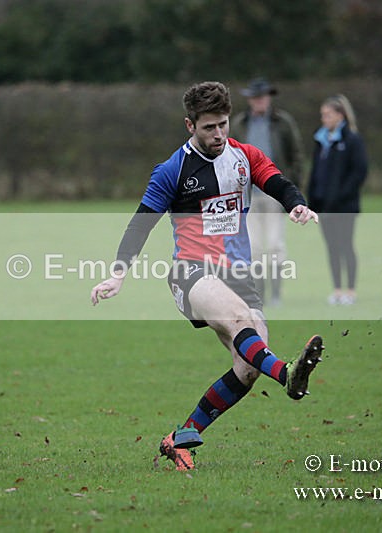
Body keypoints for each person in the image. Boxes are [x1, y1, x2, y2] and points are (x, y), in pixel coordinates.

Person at [90, 82, 324, 471]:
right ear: (190, 125)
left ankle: (179, 438)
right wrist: (118, 274)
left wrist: (296, 205)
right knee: (238, 323)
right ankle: (288, 374)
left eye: (223, 125)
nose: (218, 134)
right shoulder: (172, 171)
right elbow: (140, 224)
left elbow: (275, 180)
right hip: (192, 273)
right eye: (209, 127)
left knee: (248, 366)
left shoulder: (244, 157)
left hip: (239, 275)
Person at [232, 78, 305, 307]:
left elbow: (296, 156)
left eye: (262, 97)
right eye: (255, 97)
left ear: (269, 98)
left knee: (274, 245)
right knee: (253, 248)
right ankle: (259, 294)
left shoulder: (282, 122)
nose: (259, 101)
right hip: (248, 195)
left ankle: (276, 294)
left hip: (274, 192)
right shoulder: (240, 123)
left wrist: (293, 193)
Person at [307, 94, 368, 306]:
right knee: (331, 247)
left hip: (344, 206)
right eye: (322, 115)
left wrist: (340, 196)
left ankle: (350, 291)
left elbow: (359, 172)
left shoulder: (351, 140)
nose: (324, 119)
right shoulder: (321, 139)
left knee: (345, 245)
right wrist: (312, 198)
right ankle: (337, 290)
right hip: (323, 207)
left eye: (327, 115)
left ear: (340, 116)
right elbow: (316, 172)